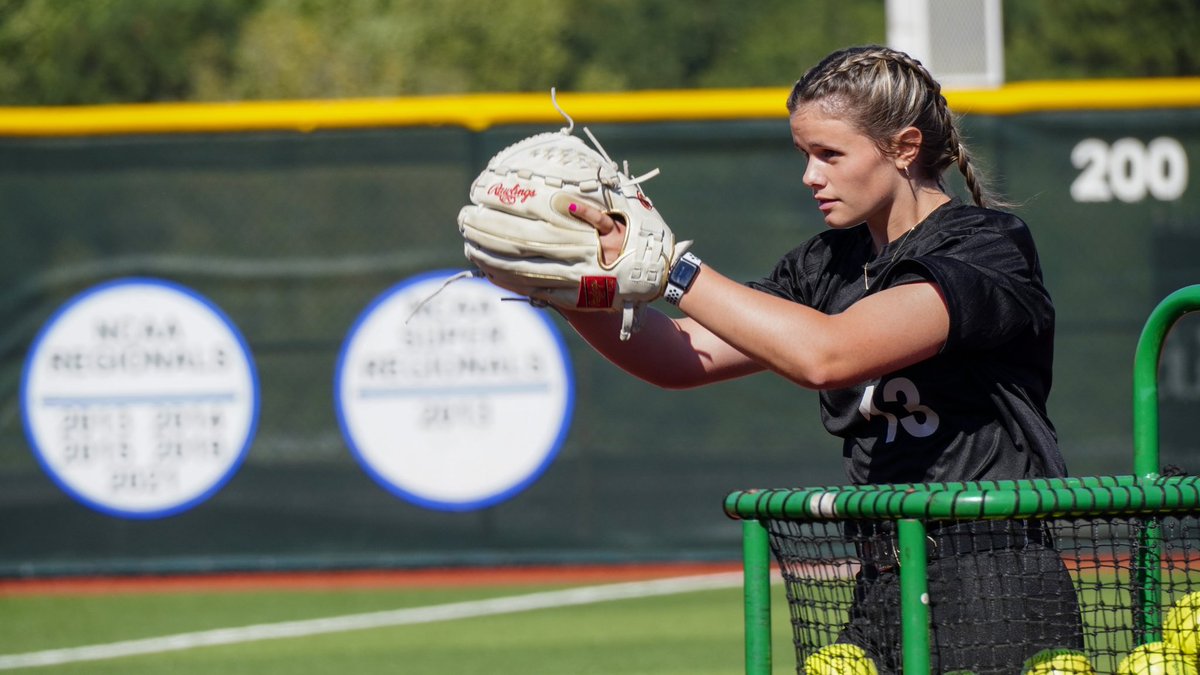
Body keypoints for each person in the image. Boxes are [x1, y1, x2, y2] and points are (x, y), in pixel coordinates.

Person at [547, 45, 1083, 672]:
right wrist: (568, 288)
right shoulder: (825, 263)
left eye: (830, 154)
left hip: (994, 578)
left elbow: (829, 356)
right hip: (883, 580)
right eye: (804, 154)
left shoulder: (986, 245)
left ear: (904, 148)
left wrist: (672, 269)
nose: (809, 175)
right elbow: (679, 356)